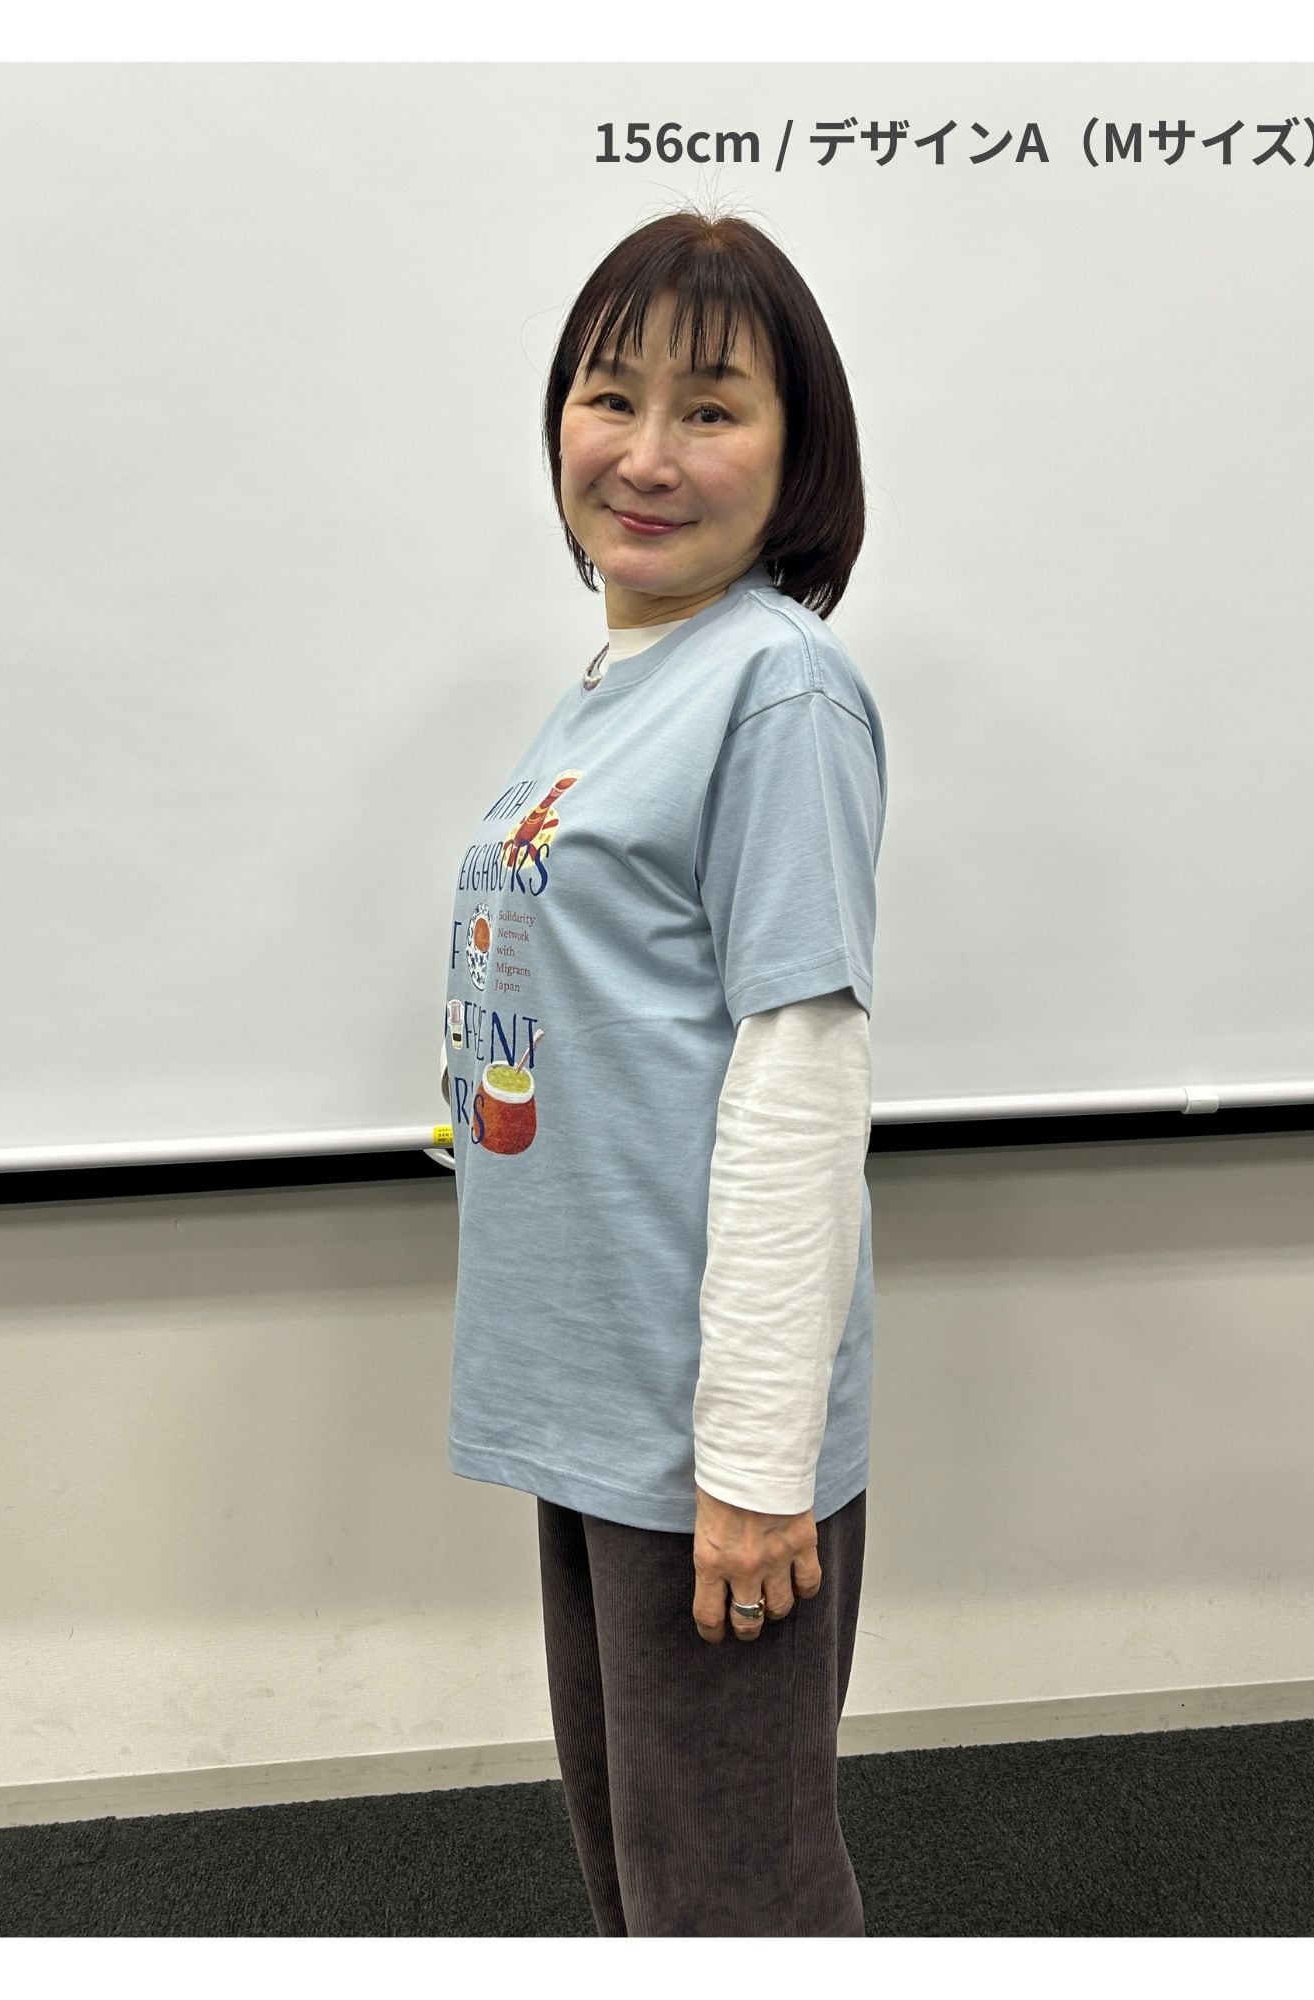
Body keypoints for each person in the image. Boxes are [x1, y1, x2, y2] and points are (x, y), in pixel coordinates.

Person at [442, 203, 886, 1937]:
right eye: (608, 396)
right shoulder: (616, 683)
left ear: (796, 451)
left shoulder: (776, 686)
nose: (643, 454)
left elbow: (800, 1067)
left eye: (710, 408)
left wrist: (756, 1461)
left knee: (731, 1901)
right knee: (643, 1876)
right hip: (596, 1392)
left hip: (702, 1421)